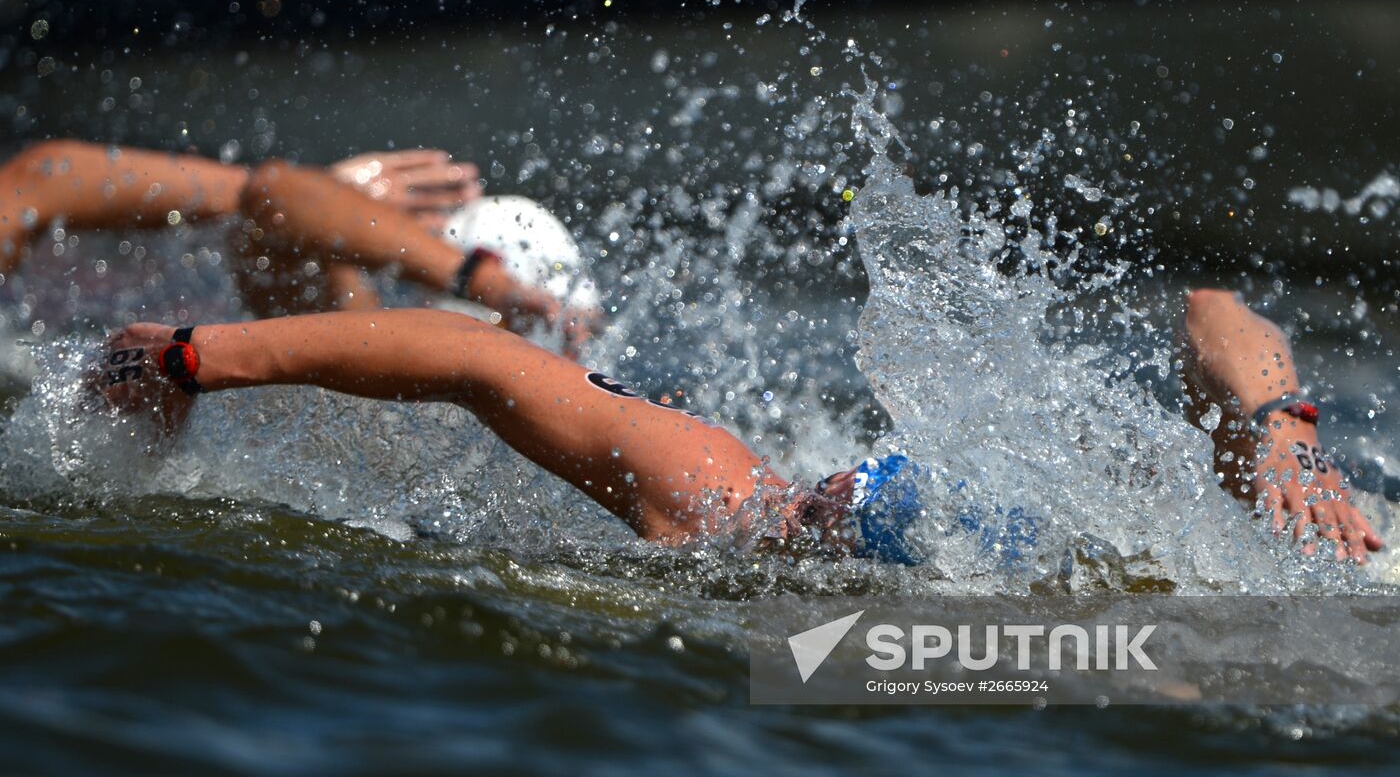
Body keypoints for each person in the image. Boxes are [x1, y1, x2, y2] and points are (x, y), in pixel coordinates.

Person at [92, 287, 1383, 566]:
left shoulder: (1277, 569)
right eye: (841, 492)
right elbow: (1214, 311)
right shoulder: (746, 510)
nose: (812, 506)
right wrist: (1284, 429)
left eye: (833, 515)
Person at [0, 140, 594, 353]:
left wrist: (334, 201)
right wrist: (337, 201)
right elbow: (274, 197)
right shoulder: (376, 359)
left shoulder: (372, 365)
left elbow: (274, 196)